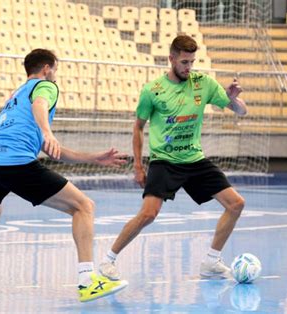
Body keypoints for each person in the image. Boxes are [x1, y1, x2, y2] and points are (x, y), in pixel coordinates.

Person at [0, 49, 128, 302]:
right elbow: (41, 106)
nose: (55, 75)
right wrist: (48, 131)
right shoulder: (45, 86)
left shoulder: (16, 96)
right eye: (55, 70)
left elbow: (49, 149)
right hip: (16, 163)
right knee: (84, 206)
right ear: (47, 68)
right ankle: (88, 280)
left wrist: (92, 158)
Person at [99, 35, 248, 281]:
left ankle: (211, 261)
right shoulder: (153, 91)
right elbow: (137, 127)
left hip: (194, 159)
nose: (189, 68)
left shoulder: (203, 83)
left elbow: (242, 111)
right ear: (171, 59)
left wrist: (232, 99)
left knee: (236, 204)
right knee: (148, 214)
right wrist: (138, 165)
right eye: (184, 62)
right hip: (164, 160)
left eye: (192, 62)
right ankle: (108, 260)